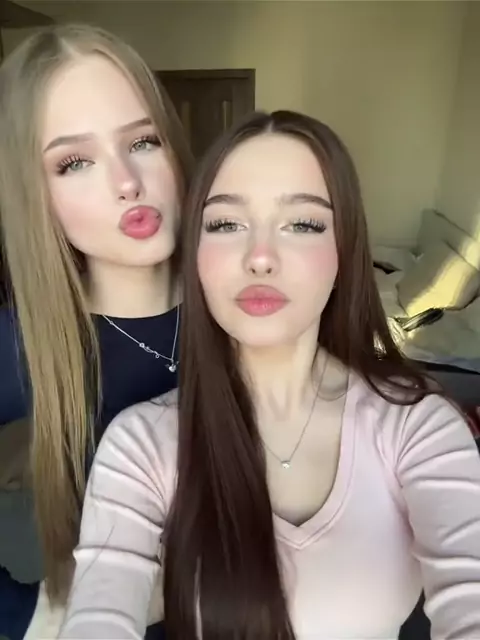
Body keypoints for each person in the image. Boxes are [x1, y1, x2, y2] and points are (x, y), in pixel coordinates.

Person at [59, 109, 480, 640]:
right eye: (226, 224)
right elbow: (99, 611)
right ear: (196, 256)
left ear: (344, 253)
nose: (260, 258)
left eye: (302, 224)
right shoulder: (141, 443)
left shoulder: (417, 426)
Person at [0, 22, 191, 639]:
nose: (126, 181)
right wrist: (32, 617)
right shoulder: (24, 345)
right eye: (74, 162)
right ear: (34, 195)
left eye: (143, 141)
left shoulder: (248, 299)